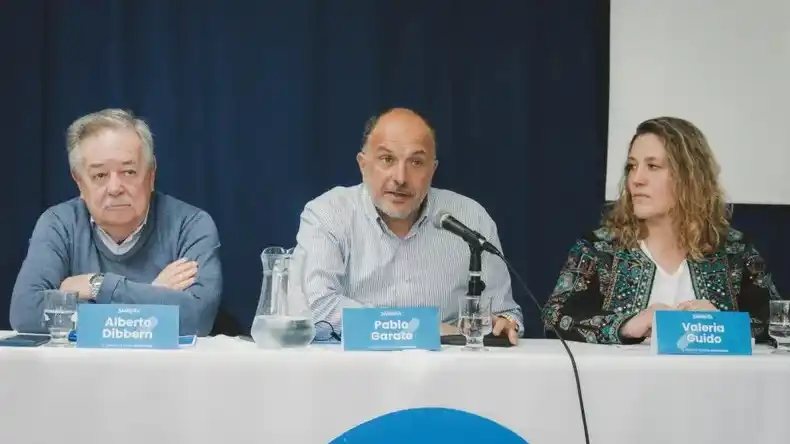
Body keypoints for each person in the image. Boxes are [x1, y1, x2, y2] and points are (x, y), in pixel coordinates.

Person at [542, 117, 781, 344]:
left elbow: (778, 321)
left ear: (689, 177)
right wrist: (625, 325)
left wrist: (724, 324)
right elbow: (554, 318)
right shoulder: (599, 249)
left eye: (653, 166)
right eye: (632, 167)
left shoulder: (734, 251)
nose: (636, 179)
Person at [293, 108, 523, 344]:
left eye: (416, 162)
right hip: (353, 372)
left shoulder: (471, 218)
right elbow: (316, 310)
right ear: (363, 165)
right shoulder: (328, 214)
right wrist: (423, 328)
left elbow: (504, 311)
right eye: (387, 159)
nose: (400, 177)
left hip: (448, 373)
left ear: (432, 169)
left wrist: (502, 322)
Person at [10, 108, 222, 336]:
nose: (114, 188)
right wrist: (152, 294)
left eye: (129, 172)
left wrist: (98, 285)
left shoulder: (190, 225)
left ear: (151, 176)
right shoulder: (58, 224)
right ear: (79, 182)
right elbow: (26, 313)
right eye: (100, 176)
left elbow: (196, 318)